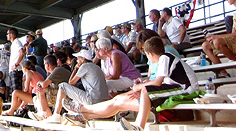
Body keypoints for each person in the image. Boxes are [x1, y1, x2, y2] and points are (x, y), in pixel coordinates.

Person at [65, 36, 199, 129]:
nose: (148, 59)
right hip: (172, 88)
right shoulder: (166, 59)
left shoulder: (165, 57)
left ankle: (82, 110)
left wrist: (140, 87)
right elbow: (158, 82)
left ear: (150, 53)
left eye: (146, 56)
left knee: (120, 102)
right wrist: (143, 85)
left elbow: (158, 83)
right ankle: (84, 114)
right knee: (118, 100)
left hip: (185, 90)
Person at [38, 49, 109, 123]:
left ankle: (56, 115)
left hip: (92, 99)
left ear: (83, 59)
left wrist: (75, 69)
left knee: (62, 86)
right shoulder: (96, 66)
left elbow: (71, 82)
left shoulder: (84, 66)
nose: (77, 60)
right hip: (103, 100)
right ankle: (70, 115)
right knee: (74, 99)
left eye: (78, 58)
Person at [202, 0, 236, 67]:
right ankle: (223, 73)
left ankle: (235, 63)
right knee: (205, 45)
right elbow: (233, 34)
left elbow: (235, 35)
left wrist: (217, 37)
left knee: (217, 41)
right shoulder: (235, 14)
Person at [30, 55, 71, 119]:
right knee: (39, 97)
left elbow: (44, 84)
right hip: (63, 93)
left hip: (68, 95)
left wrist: (39, 82)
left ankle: (43, 114)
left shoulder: (58, 69)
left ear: (47, 65)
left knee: (41, 90)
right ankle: (48, 117)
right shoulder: (52, 72)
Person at [7, 28, 25, 94]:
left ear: (12, 34)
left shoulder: (17, 42)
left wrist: (16, 64)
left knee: (16, 92)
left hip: (16, 70)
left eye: (7, 34)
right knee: (15, 92)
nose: (6, 35)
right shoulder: (14, 43)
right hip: (14, 70)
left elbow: (22, 52)